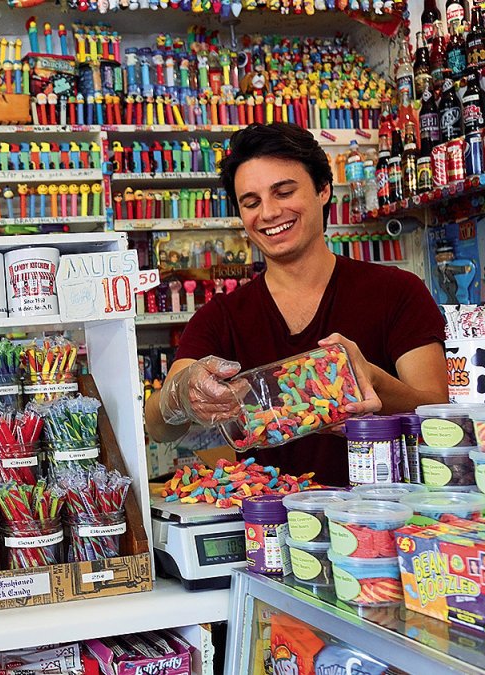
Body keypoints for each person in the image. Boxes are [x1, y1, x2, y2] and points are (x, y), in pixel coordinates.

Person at [145, 123, 449, 486]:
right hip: (268, 527)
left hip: (385, 517)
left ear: (323, 190)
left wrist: (374, 383)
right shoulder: (221, 317)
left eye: (284, 192)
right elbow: (156, 427)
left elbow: (439, 415)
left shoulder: (397, 291)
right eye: (251, 202)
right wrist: (182, 394)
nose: (269, 213)